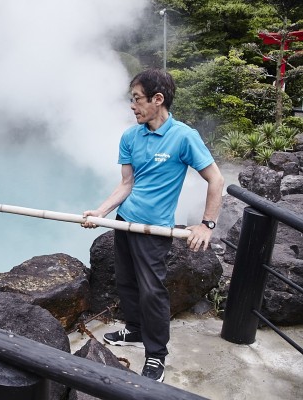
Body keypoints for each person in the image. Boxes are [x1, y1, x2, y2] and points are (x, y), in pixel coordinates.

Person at [82, 68, 224, 383]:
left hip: (155, 230)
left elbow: (216, 179)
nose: (132, 106)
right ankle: (134, 330)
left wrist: (206, 225)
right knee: (127, 283)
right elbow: (127, 183)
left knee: (152, 293)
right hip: (125, 223)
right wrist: (101, 212)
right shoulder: (130, 136)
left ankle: (156, 355)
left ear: (157, 99)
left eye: (137, 100)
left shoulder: (184, 137)